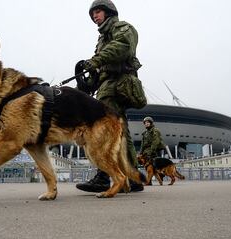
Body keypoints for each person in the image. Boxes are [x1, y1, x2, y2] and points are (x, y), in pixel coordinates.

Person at [76, 0, 144, 193]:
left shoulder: (122, 28)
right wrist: (86, 83)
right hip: (108, 84)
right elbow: (99, 69)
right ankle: (133, 178)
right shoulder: (102, 38)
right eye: (93, 14)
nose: (95, 16)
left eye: (98, 12)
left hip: (118, 84)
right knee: (121, 132)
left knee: (105, 128)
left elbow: (123, 47)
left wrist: (95, 61)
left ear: (108, 12)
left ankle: (104, 176)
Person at [139, 116, 166, 184]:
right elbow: (142, 144)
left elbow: (155, 141)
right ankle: (152, 180)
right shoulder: (145, 133)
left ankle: (158, 177)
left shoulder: (155, 130)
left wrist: (151, 151)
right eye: (145, 123)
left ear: (151, 123)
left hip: (153, 151)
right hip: (146, 151)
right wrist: (141, 152)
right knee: (149, 167)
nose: (146, 124)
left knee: (152, 167)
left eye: (148, 122)